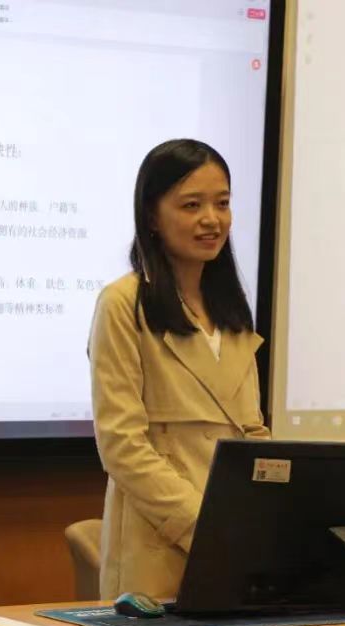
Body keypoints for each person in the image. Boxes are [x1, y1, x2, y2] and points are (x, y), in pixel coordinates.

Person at [88, 139, 270, 600]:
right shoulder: (123, 303)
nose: (212, 219)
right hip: (160, 546)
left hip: (238, 545)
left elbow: (252, 431)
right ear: (152, 216)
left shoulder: (231, 310)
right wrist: (206, 526)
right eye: (192, 205)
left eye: (222, 203)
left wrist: (268, 518)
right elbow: (122, 447)